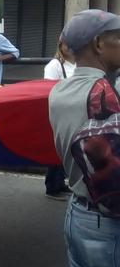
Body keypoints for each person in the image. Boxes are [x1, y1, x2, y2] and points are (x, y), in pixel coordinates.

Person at [48, 9, 120, 267]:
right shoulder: (105, 94)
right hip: (110, 220)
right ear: (98, 44)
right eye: (118, 38)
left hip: (79, 213)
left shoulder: (61, 90)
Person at [44, 39, 76, 201]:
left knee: (65, 150)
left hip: (73, 112)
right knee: (56, 149)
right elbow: (49, 89)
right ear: (60, 46)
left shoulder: (78, 64)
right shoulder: (55, 65)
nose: (70, 47)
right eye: (66, 44)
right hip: (60, 112)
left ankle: (60, 182)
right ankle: (52, 187)